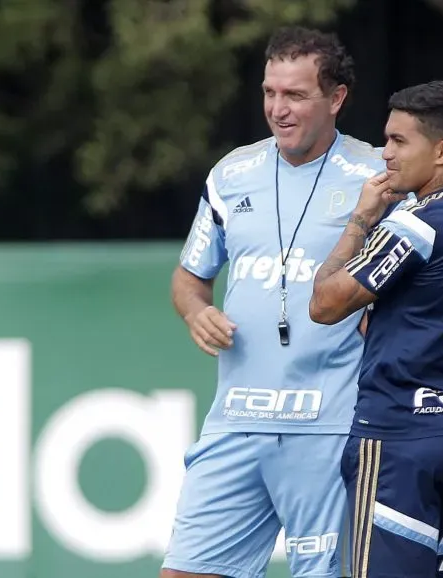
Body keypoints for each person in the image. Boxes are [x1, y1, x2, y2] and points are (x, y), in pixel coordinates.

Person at [162, 26, 387, 578]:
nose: (277, 109)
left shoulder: (378, 176)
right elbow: (189, 279)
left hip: (331, 426)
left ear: (336, 99)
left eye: (295, 95)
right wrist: (197, 311)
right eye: (269, 93)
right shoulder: (231, 173)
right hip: (235, 423)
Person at [308, 80, 443, 578]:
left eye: (399, 141)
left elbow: (324, 302)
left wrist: (361, 218)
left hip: (398, 435)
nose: (385, 154)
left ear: (442, 151)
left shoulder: (416, 222)